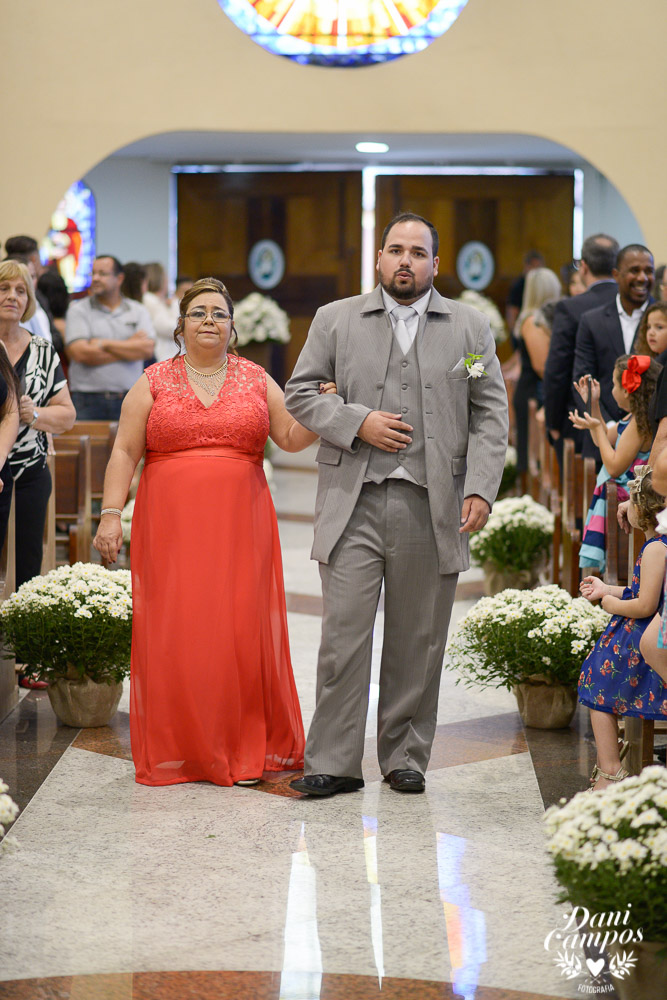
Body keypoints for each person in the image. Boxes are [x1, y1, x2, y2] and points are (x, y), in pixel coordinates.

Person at [284, 212, 508, 798]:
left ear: (435, 263)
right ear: (379, 260)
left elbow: (488, 410)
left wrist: (482, 485)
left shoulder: (469, 331)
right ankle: (333, 760)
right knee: (343, 639)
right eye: (395, 250)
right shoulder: (335, 321)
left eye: (417, 252)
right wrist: (358, 422)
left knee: (417, 639)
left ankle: (405, 754)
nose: (405, 260)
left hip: (430, 504)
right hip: (352, 502)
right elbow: (300, 393)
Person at [93, 277, 335, 787]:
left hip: (239, 524)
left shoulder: (255, 378)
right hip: (171, 526)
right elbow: (124, 451)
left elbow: (290, 437)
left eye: (218, 313)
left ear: (233, 326)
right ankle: (183, 747)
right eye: (198, 312)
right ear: (180, 325)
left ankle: (242, 746)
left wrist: (323, 409)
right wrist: (111, 512)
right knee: (179, 627)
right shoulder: (154, 380)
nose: (209, 320)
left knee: (238, 629)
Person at [579, 466, 667, 790]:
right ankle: (608, 767)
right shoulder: (655, 545)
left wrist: (611, 605)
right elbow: (640, 591)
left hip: (649, 637)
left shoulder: (657, 548)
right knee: (595, 673)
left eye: (630, 501)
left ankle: (611, 771)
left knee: (597, 678)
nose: (624, 507)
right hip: (645, 630)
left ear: (643, 512)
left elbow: (645, 605)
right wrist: (606, 589)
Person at [0, 260, 75, 588]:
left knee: (28, 560)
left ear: (29, 301)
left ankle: (20, 634)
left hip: (30, 467)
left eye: (20, 291)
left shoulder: (44, 351)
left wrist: (37, 414)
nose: (12, 297)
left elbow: (68, 416)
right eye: (3, 289)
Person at [571, 355, 660, 571]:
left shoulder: (640, 423)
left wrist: (596, 429)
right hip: (621, 491)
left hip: (625, 493)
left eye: (614, 384)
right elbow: (605, 439)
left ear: (627, 389)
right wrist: (593, 406)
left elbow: (612, 466)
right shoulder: (633, 417)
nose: (611, 390)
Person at [544, 235, 619, 463]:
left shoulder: (570, 307)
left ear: (583, 267)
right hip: (634, 421)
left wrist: (553, 422)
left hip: (580, 422)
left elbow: (558, 369)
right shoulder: (635, 304)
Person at [573, 244, 655, 430]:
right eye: (635, 270)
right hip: (600, 433)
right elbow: (583, 378)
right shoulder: (592, 321)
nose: (642, 277)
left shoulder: (662, 318)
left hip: (651, 438)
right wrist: (609, 427)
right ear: (616, 274)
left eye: (648, 271)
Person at [65, 255, 155, 419]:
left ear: (119, 278)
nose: (96, 278)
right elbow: (79, 353)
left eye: (103, 273)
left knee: (130, 445)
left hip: (130, 397)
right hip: (87, 399)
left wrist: (101, 343)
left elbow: (146, 349)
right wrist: (130, 345)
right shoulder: (78, 310)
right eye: (93, 273)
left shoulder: (137, 310)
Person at [512, 266, 561, 475]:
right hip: (534, 392)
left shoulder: (538, 319)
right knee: (532, 458)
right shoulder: (532, 320)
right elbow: (541, 366)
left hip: (535, 390)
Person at [143, 262, 179, 363]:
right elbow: (172, 329)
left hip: (167, 356)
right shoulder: (150, 300)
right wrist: (175, 304)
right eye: (165, 276)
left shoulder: (158, 301)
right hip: (162, 358)